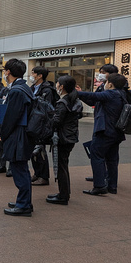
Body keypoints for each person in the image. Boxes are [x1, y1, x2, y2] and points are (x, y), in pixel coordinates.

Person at [77, 73, 127, 196]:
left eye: (105, 82)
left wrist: (75, 92)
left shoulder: (111, 93)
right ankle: (112, 186)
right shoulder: (121, 94)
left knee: (96, 155)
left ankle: (99, 185)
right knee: (112, 159)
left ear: (110, 84)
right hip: (116, 132)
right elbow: (93, 99)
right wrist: (80, 94)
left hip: (105, 131)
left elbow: (93, 95)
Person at [1, 58, 35, 217]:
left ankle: (23, 205)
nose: (4, 73)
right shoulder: (25, 88)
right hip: (24, 133)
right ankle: (25, 201)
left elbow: (11, 117)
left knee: (19, 170)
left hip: (18, 134)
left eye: (5, 70)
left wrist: (3, 134)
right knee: (23, 169)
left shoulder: (16, 91)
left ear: (8, 71)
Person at [46, 75, 83, 205]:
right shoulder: (75, 100)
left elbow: (56, 121)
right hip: (71, 136)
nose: (56, 85)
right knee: (64, 165)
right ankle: (64, 193)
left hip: (62, 138)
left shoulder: (63, 102)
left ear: (61, 86)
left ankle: (63, 196)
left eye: (57, 83)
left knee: (61, 166)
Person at [29, 66, 57, 186]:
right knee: (33, 150)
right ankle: (37, 173)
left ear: (40, 76)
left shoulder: (47, 90)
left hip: (42, 124)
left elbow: (47, 109)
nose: (31, 75)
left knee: (40, 150)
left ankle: (44, 176)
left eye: (33, 73)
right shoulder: (32, 88)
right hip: (32, 122)